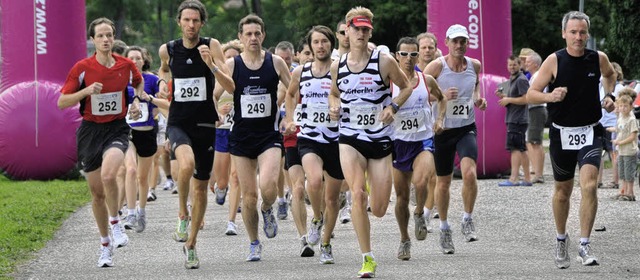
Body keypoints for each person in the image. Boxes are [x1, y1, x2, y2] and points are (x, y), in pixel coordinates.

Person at [527, 11, 617, 268]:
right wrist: (550, 96)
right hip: (561, 133)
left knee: (589, 185)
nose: (578, 37)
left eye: (583, 32)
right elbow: (532, 94)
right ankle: (560, 238)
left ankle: (585, 244)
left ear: (587, 34)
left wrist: (609, 95)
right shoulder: (553, 61)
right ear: (564, 33)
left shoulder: (597, 58)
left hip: (590, 130)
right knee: (563, 192)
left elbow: (611, 75)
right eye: (574, 32)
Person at [328, 7, 413, 278]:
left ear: (370, 32)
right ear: (347, 31)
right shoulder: (337, 65)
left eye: (366, 30)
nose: (361, 33)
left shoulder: (383, 61)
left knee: (378, 208)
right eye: (357, 29)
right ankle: (367, 258)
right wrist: (334, 106)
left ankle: (364, 196)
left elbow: (407, 86)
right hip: (350, 136)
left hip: (379, 138)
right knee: (357, 193)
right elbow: (333, 93)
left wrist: (394, 107)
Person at [58, 17, 144, 267]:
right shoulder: (82, 68)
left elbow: (137, 82)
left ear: (114, 37)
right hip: (90, 131)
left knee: (109, 176)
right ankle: (105, 244)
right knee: (96, 193)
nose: (106, 40)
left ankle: (116, 223)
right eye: (101, 36)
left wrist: (137, 101)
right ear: (93, 40)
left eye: (109, 35)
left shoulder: (126, 65)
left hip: (116, 128)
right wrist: (86, 91)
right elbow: (62, 102)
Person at [157, 0, 235, 269]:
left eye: (196, 21)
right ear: (179, 21)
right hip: (179, 121)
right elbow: (165, 72)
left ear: (202, 23)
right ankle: (181, 212)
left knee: (202, 188)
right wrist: (162, 87)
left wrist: (211, 64)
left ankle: (191, 245)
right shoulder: (167, 50)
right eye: (186, 20)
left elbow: (231, 86)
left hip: (206, 124)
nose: (191, 25)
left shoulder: (212, 46)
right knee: (186, 164)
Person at [225, 14, 291, 262]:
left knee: (268, 188)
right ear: (240, 37)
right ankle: (254, 242)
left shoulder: (275, 62)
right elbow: (217, 92)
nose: (253, 38)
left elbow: (292, 90)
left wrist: (289, 115)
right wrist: (216, 109)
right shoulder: (233, 65)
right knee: (249, 197)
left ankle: (268, 209)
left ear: (263, 35)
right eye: (248, 34)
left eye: (257, 33)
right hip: (241, 138)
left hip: (268, 135)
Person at [424, 24, 487, 254]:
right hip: (442, 130)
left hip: (465, 127)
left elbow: (476, 84)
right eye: (455, 41)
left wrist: (479, 99)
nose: (459, 46)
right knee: (443, 182)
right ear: (447, 43)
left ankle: (467, 218)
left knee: (470, 173)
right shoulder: (437, 66)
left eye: (463, 42)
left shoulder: (474, 65)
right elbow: (419, 91)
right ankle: (444, 228)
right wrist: (439, 95)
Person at [282, 25, 344, 262]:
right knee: (314, 180)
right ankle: (317, 219)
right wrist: (290, 119)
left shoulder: (341, 69)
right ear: (310, 46)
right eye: (316, 42)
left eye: (324, 42)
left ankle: (326, 243)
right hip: (308, 136)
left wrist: (339, 108)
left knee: (333, 198)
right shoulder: (301, 72)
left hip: (337, 139)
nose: (320, 46)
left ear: (331, 44)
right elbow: (289, 95)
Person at [390, 37, 446, 261]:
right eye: (404, 54)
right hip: (398, 143)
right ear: (396, 56)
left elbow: (441, 99)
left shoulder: (427, 80)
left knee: (421, 181)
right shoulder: (388, 83)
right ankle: (404, 239)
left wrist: (440, 119)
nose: (408, 59)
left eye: (413, 54)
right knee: (401, 196)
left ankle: (420, 212)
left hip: (423, 140)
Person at [121, 46, 170, 233]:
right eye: (131, 58)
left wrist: (156, 94)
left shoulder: (151, 79)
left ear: (144, 60)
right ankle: (131, 212)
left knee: (143, 177)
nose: (134, 61)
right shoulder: (120, 81)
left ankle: (141, 212)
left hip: (148, 131)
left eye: (138, 58)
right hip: (127, 132)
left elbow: (162, 90)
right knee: (131, 170)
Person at [211, 39, 244, 236]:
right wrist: (218, 112)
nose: (231, 60)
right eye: (227, 57)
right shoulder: (218, 79)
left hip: (240, 130)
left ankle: (231, 221)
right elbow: (212, 97)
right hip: (222, 129)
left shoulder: (245, 76)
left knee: (236, 177)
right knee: (222, 181)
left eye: (234, 57)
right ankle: (220, 189)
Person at [497, 55, 532, 186]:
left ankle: (514, 178)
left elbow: (526, 98)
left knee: (515, 149)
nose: (512, 67)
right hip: (514, 118)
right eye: (510, 65)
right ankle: (527, 178)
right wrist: (504, 96)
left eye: (514, 65)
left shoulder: (521, 80)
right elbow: (514, 97)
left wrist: (508, 99)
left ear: (519, 65)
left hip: (517, 119)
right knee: (521, 148)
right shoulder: (512, 80)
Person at [597, 62, 625, 189]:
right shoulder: (602, 86)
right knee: (601, 152)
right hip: (602, 121)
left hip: (612, 123)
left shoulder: (618, 88)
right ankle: (598, 180)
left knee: (613, 152)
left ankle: (615, 181)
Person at [524, 52, 547, 184]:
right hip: (535, 109)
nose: (526, 64)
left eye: (528, 61)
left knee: (535, 142)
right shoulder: (534, 76)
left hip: (537, 109)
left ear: (536, 64)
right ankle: (538, 172)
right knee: (534, 141)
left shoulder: (537, 76)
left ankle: (538, 174)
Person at [610, 93, 638, 201]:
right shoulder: (621, 118)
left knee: (629, 173)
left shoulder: (632, 119)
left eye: (625, 106)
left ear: (631, 106)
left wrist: (620, 142)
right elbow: (619, 130)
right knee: (622, 173)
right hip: (621, 151)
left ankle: (630, 193)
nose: (623, 108)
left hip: (629, 151)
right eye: (621, 106)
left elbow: (633, 136)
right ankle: (623, 191)